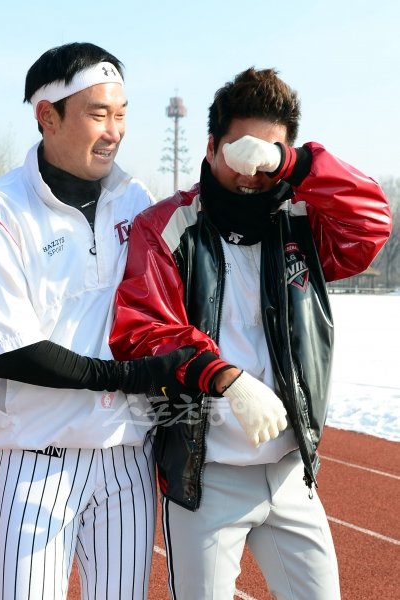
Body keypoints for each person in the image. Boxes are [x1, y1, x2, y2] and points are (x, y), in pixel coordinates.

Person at [109, 67, 392, 599]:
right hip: (206, 475)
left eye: (268, 158)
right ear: (212, 145)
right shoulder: (167, 226)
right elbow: (144, 331)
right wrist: (227, 377)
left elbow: (372, 222)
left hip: (289, 471)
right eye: (239, 151)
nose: (250, 173)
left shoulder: (303, 219)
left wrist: (295, 164)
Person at [0, 42, 192, 600]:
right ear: (47, 117)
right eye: (97, 114)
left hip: (126, 464)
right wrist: (133, 377)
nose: (114, 130)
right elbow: (9, 351)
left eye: (121, 113)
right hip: (37, 465)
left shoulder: (137, 199)